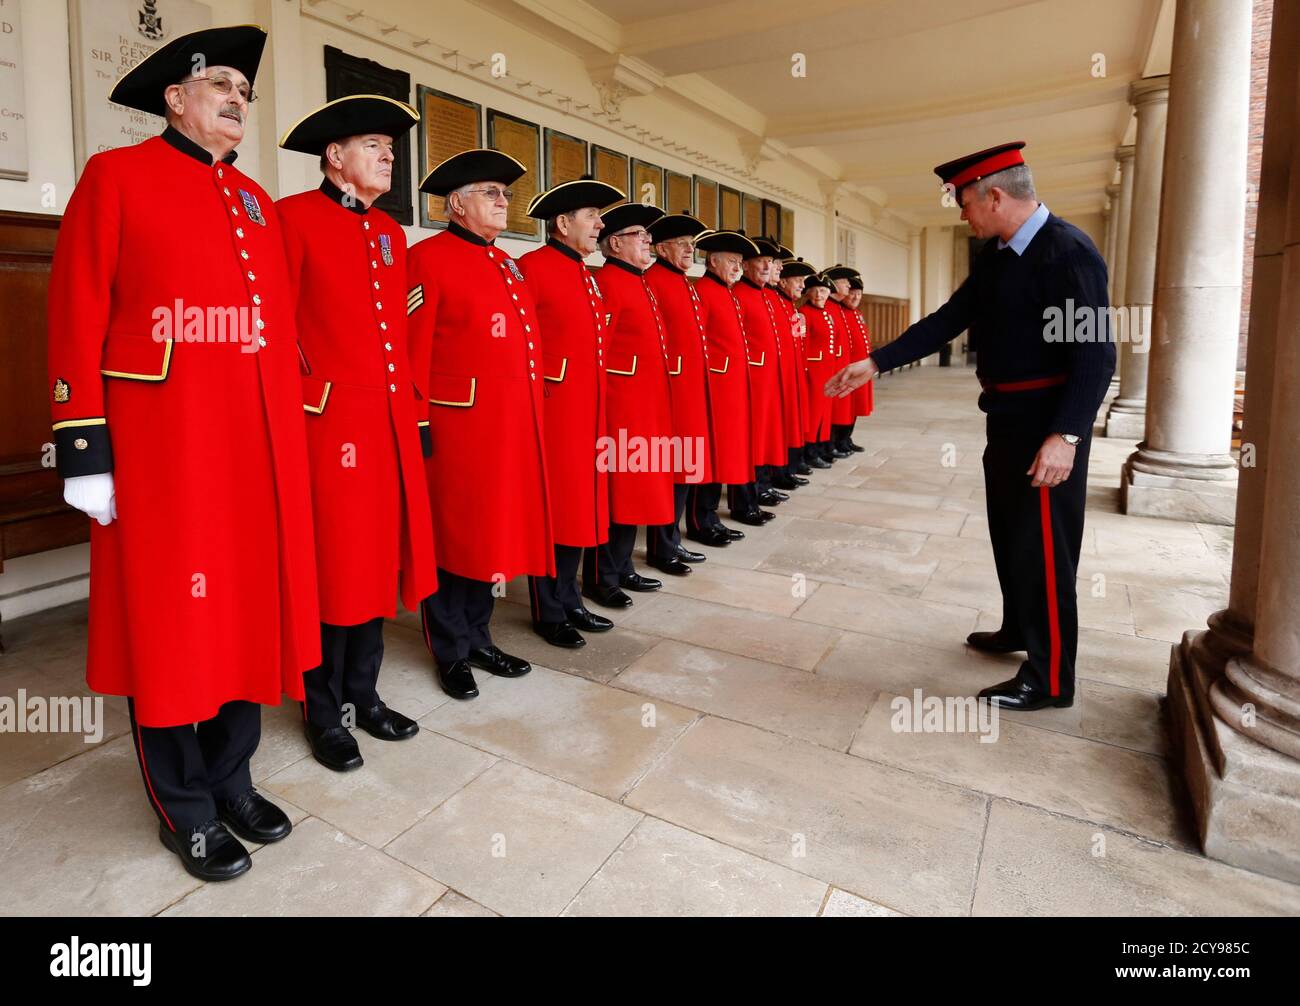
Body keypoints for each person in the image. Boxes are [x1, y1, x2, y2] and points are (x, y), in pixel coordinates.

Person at [47, 25, 318, 881]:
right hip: (162, 452)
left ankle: (232, 778)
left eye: (246, 90)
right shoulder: (117, 177)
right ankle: (186, 808)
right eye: (223, 85)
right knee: (169, 629)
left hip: (254, 453)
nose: (239, 99)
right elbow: (76, 307)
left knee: (243, 617)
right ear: (176, 97)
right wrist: (83, 444)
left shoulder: (253, 203)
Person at [827, 141, 1115, 711]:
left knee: (1045, 549)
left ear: (996, 196)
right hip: (1005, 419)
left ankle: (1052, 677)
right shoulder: (999, 254)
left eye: (964, 203)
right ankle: (1019, 628)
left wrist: (1067, 436)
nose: (962, 214)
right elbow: (950, 319)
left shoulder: (1068, 252)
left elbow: (1096, 355)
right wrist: (877, 361)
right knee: (1011, 534)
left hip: (1045, 425)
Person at [277, 95, 438, 770]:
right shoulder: (291, 219)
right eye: (375, 145)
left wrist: (414, 410)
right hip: (326, 427)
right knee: (329, 569)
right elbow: (276, 327)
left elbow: (396, 335)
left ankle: (363, 695)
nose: (388, 157)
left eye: (391, 149)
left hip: (385, 424)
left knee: (372, 565)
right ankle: (324, 712)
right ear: (334, 156)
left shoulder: (388, 234)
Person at [407, 149, 551, 699]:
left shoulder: (508, 263)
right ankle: (450, 650)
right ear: (455, 205)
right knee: (455, 542)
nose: (502, 202)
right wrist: (421, 424)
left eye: (505, 194)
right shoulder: (429, 258)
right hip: (458, 428)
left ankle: (478, 636)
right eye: (490, 193)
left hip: (508, 427)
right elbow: (414, 352)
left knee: (491, 538)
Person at [517, 177, 625, 646]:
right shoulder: (532, 267)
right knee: (557, 511)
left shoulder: (586, 272)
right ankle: (549, 609)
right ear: (562, 223)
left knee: (583, 509)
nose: (600, 224)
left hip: (590, 410)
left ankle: (570, 596)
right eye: (591, 216)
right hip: (555, 412)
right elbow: (525, 345)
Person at [581, 202, 677, 605]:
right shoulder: (608, 281)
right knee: (618, 493)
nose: (649, 241)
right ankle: (602, 578)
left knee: (635, 492)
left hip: (645, 403)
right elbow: (599, 350)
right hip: (623, 407)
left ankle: (622, 567)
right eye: (641, 235)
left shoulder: (637, 280)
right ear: (616, 243)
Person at [645, 212, 722, 554]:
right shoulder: (654, 281)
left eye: (693, 245)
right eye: (683, 244)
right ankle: (663, 545)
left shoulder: (681, 281)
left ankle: (672, 540)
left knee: (685, 469)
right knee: (671, 470)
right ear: (661, 249)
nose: (691, 250)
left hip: (691, 390)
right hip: (672, 392)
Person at [692, 230, 772, 529]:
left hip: (734, 387)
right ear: (713, 261)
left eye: (740, 261)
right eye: (733, 261)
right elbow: (698, 342)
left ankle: (712, 518)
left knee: (726, 455)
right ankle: (703, 520)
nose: (738, 267)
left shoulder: (727, 292)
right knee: (711, 457)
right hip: (716, 389)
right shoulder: (703, 290)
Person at [733, 237, 792, 507]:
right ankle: (747, 497)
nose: (768, 266)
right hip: (751, 381)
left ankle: (763, 486)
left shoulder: (767, 295)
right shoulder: (739, 294)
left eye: (771, 262)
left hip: (769, 378)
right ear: (747, 265)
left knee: (766, 437)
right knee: (751, 443)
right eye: (762, 261)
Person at [764, 250, 812, 487]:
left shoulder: (789, 306)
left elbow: (796, 342)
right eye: (799, 280)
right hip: (771, 377)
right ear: (783, 282)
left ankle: (784, 472)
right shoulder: (771, 299)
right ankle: (774, 476)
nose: (803, 285)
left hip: (789, 374)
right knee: (773, 432)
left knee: (787, 427)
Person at [824, 265, 867, 454]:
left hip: (856, 366)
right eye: (847, 285)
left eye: (858, 292)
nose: (852, 293)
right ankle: (834, 443)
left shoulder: (850, 312)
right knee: (840, 407)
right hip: (841, 366)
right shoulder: (831, 308)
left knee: (852, 406)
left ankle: (845, 438)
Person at [800, 272, 839, 468]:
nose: (819, 295)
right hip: (813, 372)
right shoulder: (805, 313)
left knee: (823, 412)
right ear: (807, 293)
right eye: (815, 291)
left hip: (826, 371)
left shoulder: (826, 313)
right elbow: (803, 345)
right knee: (813, 414)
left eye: (823, 291)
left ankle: (819, 449)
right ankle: (809, 453)